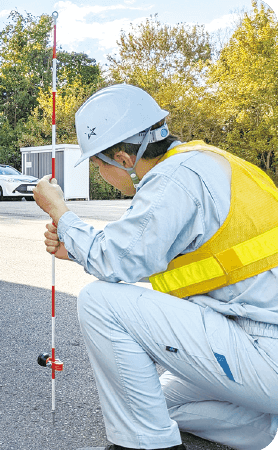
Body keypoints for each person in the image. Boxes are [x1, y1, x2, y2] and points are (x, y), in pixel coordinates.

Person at [32, 84, 278, 450]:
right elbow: (171, 255)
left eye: (99, 165)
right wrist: (76, 249)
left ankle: (147, 445)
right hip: (256, 338)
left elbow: (117, 260)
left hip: (264, 347)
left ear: (123, 158)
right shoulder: (207, 161)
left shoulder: (173, 179)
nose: (101, 174)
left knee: (101, 301)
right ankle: (266, 430)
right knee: (149, 403)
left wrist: (61, 213)